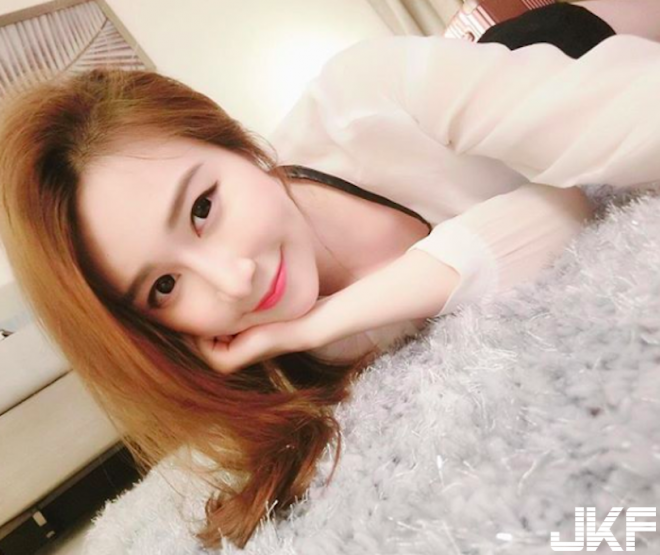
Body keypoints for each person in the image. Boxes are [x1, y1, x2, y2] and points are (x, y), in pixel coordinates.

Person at [0, 0, 658, 549]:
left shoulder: (371, 96)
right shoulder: (278, 363)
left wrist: (324, 318)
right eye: (164, 287)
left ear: (240, 145)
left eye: (203, 208)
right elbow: (545, 218)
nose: (232, 281)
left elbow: (576, 197)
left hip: (545, 56)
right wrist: (315, 329)